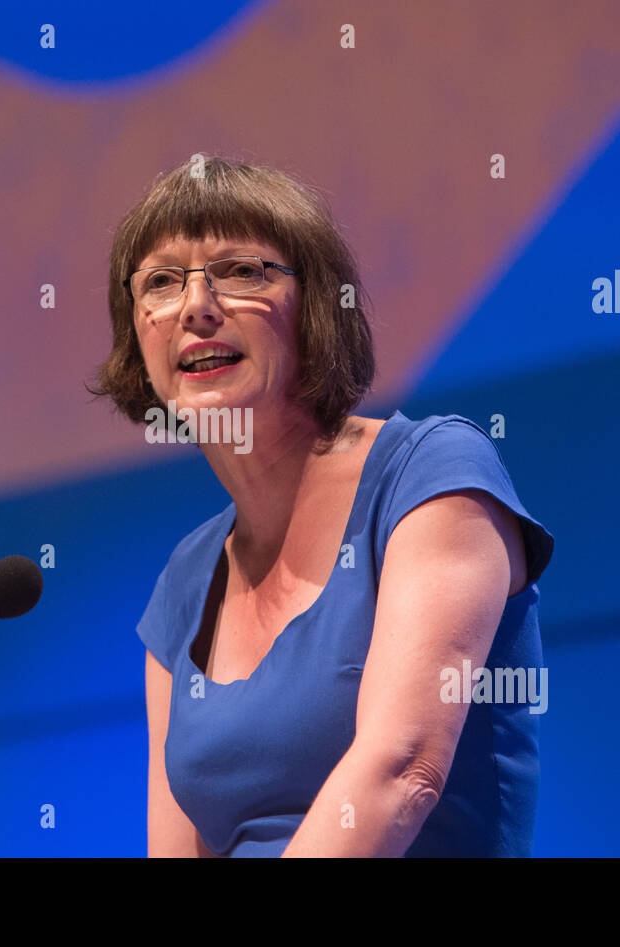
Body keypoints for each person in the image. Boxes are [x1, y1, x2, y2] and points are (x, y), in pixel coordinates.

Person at [92, 155, 555, 857]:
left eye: (241, 271)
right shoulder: (186, 582)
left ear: (315, 308)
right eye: (160, 282)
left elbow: (402, 771)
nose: (195, 306)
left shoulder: (428, 472)